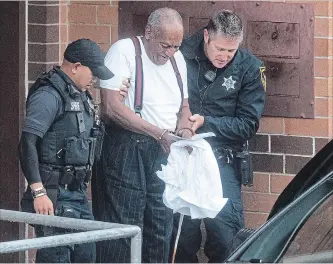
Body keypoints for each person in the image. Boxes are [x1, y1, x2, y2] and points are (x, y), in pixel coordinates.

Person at [93, 7, 193, 263]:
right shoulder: (125, 51)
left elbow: (184, 107)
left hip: (164, 147)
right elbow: (112, 108)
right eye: (165, 45)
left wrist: (185, 131)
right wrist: (158, 133)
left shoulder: (177, 59)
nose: (169, 53)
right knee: (125, 223)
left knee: (160, 223)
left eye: (175, 47)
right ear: (148, 32)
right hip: (128, 146)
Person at [171, 10, 266, 263]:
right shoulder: (180, 54)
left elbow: (247, 125)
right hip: (183, 157)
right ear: (206, 36)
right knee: (180, 238)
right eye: (220, 48)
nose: (224, 56)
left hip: (223, 160)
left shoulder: (250, 67)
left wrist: (206, 122)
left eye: (231, 51)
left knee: (227, 239)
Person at [19, 38, 114, 263]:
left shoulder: (80, 95)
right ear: (76, 66)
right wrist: (38, 192)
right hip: (54, 195)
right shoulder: (49, 95)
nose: (95, 79)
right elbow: (27, 143)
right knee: (56, 258)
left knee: (86, 255)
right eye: (93, 72)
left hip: (77, 194)